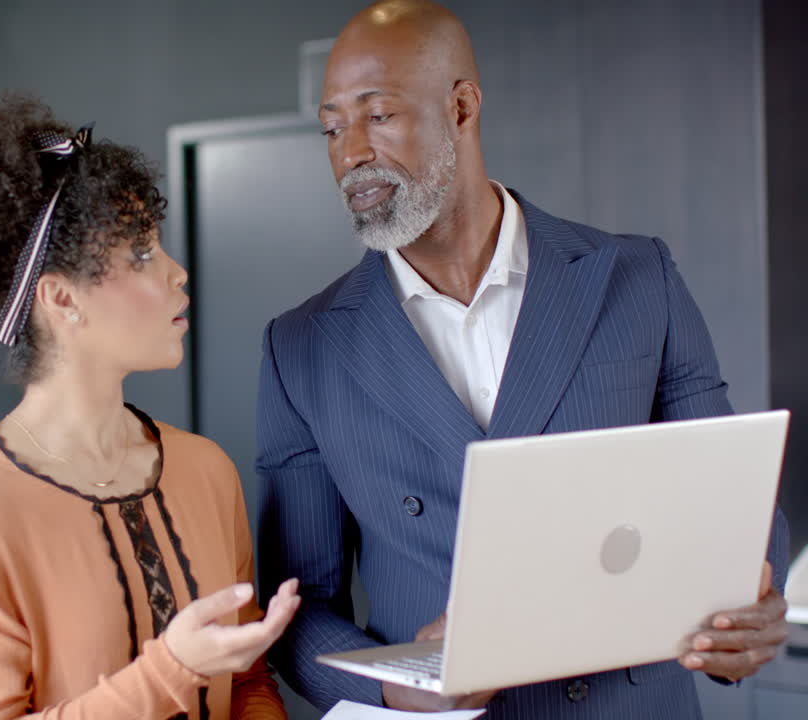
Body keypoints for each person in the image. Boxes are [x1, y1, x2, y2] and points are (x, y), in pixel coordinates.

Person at [254, 1, 790, 717]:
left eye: (377, 116)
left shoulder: (636, 279)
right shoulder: (302, 348)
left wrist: (756, 599)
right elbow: (295, 607)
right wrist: (397, 688)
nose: (350, 153)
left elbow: (729, 493)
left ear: (462, 108)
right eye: (331, 128)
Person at [0, 95, 299, 720]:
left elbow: (247, 683)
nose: (177, 273)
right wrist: (172, 668)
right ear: (61, 299)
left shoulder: (207, 471)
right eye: (141, 255)